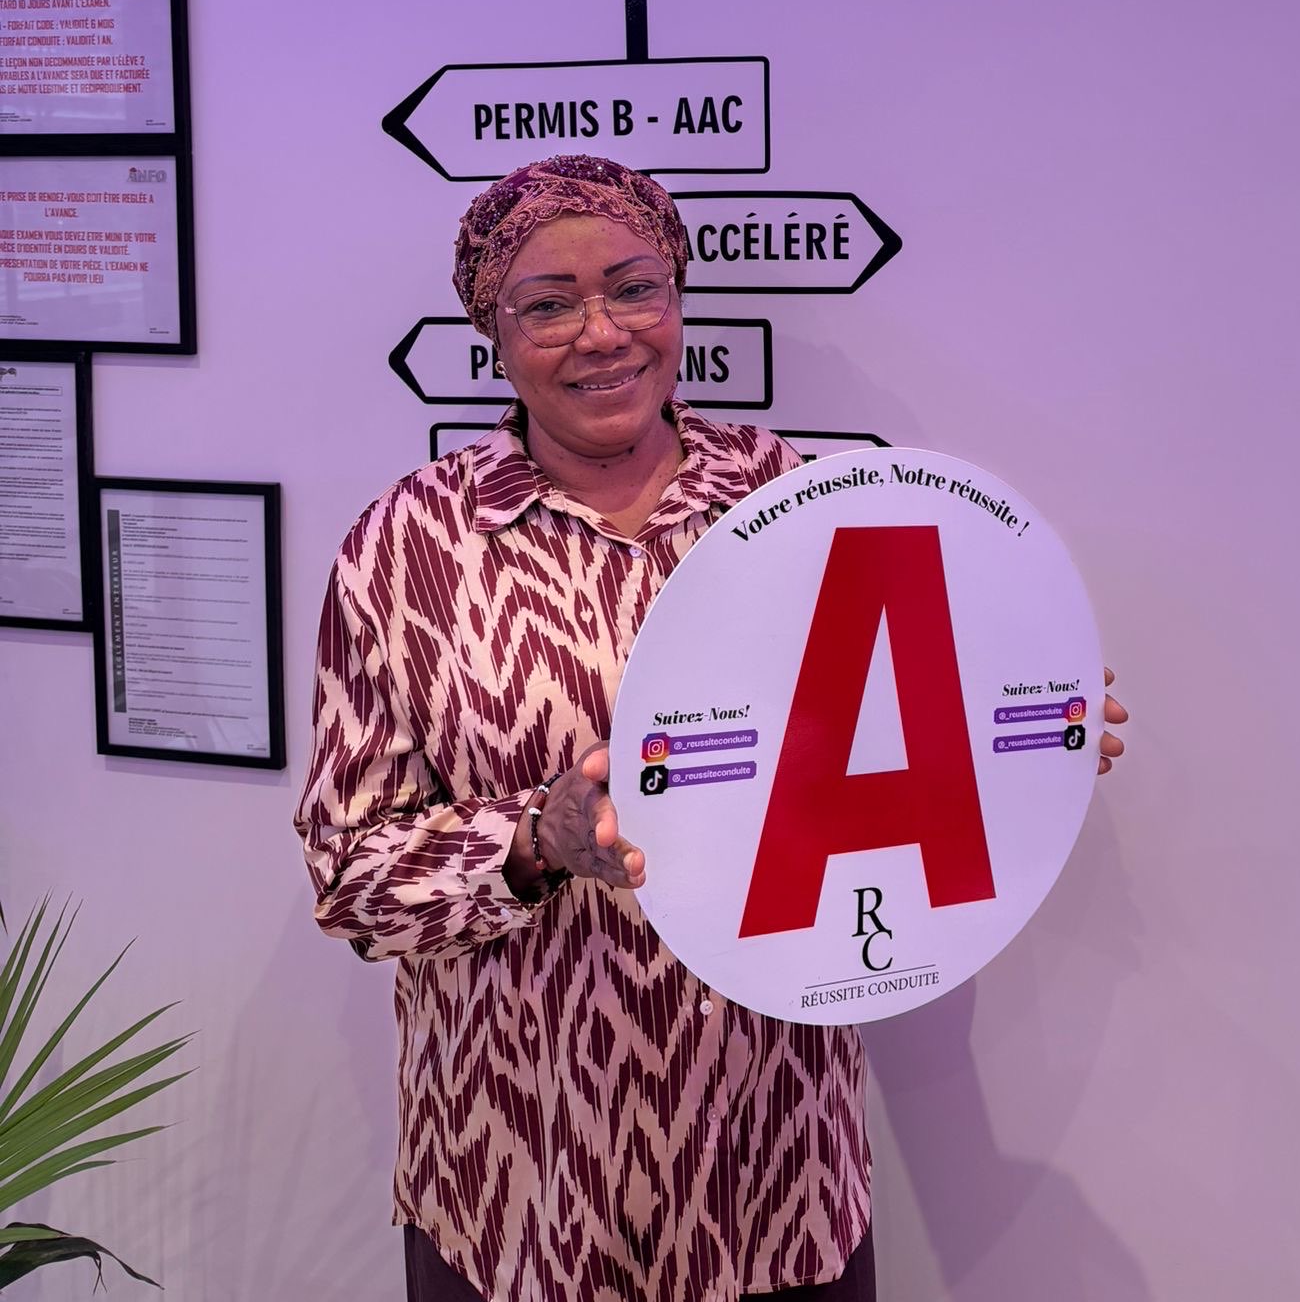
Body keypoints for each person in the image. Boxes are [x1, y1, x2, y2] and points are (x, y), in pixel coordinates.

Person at [295, 153, 1128, 1302]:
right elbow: (349, 873)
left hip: (773, 1176)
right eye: (548, 304)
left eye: (634, 287)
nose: (602, 333)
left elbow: (886, 744)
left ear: (677, 295)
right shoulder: (406, 548)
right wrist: (534, 838)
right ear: (493, 328)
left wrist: (1026, 726)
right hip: (522, 1197)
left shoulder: (791, 499)